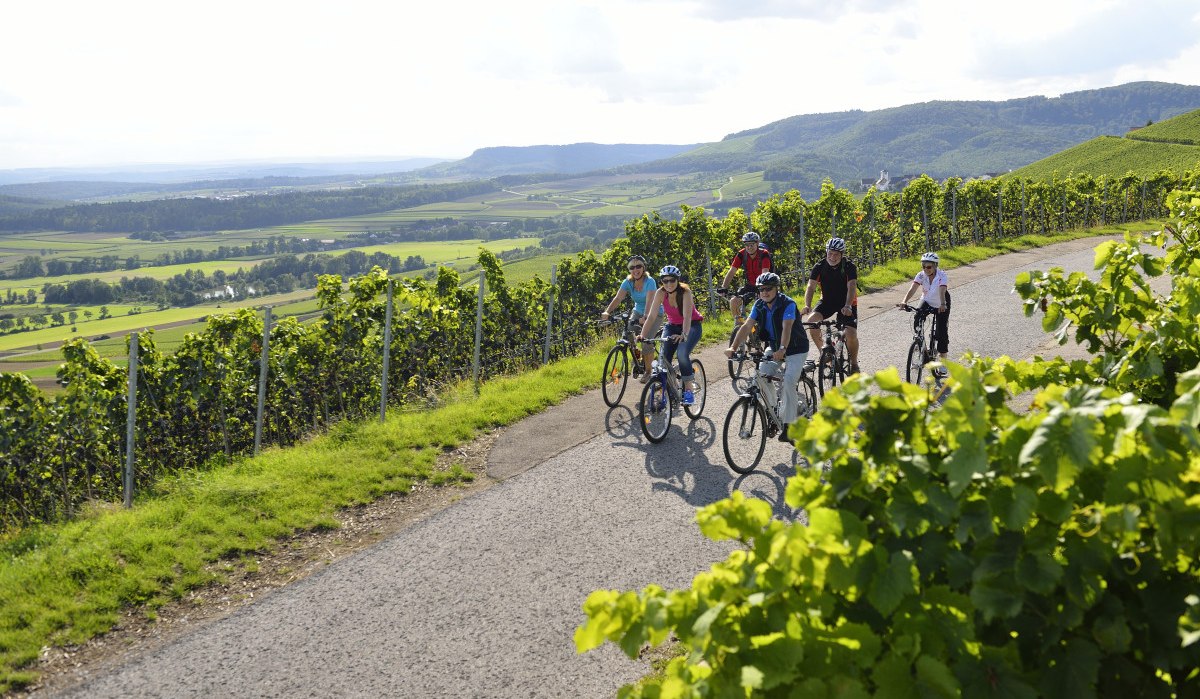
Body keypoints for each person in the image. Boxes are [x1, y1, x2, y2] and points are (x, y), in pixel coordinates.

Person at [725, 272, 810, 442]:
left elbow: (786, 329)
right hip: (774, 347)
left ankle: (789, 424)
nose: (764, 292)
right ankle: (774, 411)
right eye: (761, 289)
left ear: (776, 289)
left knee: (788, 382)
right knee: (761, 379)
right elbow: (747, 326)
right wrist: (733, 347)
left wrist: (783, 349)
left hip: (795, 348)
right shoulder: (759, 305)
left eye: (768, 289)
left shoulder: (788, 304)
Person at [639, 265, 704, 406]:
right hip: (672, 326)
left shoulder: (685, 292)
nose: (668, 284)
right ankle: (668, 390)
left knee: (681, 354)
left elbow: (687, 317)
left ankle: (688, 390)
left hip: (692, 326)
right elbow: (651, 316)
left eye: (672, 280)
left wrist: (684, 335)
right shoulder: (660, 293)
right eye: (665, 281)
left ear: (677, 280)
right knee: (663, 360)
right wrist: (642, 335)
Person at [802, 237, 861, 374]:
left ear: (842, 254)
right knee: (811, 321)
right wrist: (807, 305)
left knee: (851, 334)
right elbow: (810, 286)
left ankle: (854, 363)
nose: (832, 257)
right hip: (827, 301)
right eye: (830, 253)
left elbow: (851, 286)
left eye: (836, 254)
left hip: (847, 302)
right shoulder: (819, 266)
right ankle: (825, 353)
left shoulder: (849, 266)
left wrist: (847, 305)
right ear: (826, 252)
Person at [601, 255, 662, 382]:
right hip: (637, 311)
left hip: (653, 313)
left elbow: (650, 301)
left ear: (643, 267)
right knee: (627, 335)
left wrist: (645, 317)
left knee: (646, 341)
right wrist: (607, 311)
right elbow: (618, 298)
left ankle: (648, 371)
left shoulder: (649, 281)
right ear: (629, 270)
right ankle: (639, 357)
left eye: (638, 266)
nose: (635, 269)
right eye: (632, 267)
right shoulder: (627, 282)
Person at [898, 251, 950, 375]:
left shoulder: (942, 276)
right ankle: (921, 346)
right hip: (926, 300)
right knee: (917, 317)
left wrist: (942, 304)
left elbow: (942, 291)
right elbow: (913, 288)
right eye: (923, 266)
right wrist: (904, 301)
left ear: (935, 266)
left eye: (929, 266)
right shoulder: (921, 275)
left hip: (941, 302)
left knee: (941, 332)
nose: (926, 269)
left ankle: (943, 362)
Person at [719, 231, 772, 323]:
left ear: (757, 244)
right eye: (747, 245)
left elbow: (765, 274)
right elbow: (731, 272)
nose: (749, 247)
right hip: (750, 285)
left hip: (764, 285)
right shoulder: (741, 254)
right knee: (734, 301)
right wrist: (724, 287)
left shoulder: (764, 254)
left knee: (764, 310)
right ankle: (739, 325)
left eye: (752, 244)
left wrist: (763, 290)